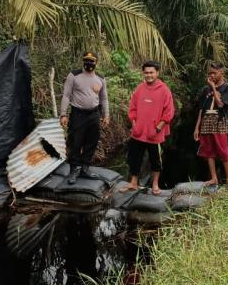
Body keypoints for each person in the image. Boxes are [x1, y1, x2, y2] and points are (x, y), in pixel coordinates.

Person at [122, 60, 174, 195]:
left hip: (154, 134)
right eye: (146, 73)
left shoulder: (164, 90)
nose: (149, 75)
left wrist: (159, 127)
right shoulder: (140, 88)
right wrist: (134, 123)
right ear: (143, 73)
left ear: (157, 73)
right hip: (138, 132)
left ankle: (155, 184)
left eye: (151, 72)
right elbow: (132, 108)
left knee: (155, 160)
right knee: (134, 158)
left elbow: (169, 112)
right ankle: (133, 182)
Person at [60, 51, 110, 185]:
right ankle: (73, 170)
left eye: (92, 60)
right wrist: (63, 114)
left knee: (91, 141)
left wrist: (106, 115)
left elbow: (104, 98)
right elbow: (66, 95)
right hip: (78, 114)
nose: (89, 63)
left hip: (94, 115)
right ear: (83, 61)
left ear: (96, 62)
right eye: (86, 60)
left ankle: (85, 168)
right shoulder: (74, 75)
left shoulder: (100, 78)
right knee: (75, 142)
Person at [193, 62, 228, 188]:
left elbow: (221, 104)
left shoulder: (227, 87)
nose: (211, 75)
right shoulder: (205, 89)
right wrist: (197, 128)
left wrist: (213, 87)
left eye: (214, 73)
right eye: (210, 73)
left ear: (221, 73)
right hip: (206, 121)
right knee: (208, 151)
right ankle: (214, 178)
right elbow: (201, 109)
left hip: (219, 121)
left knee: (223, 151)